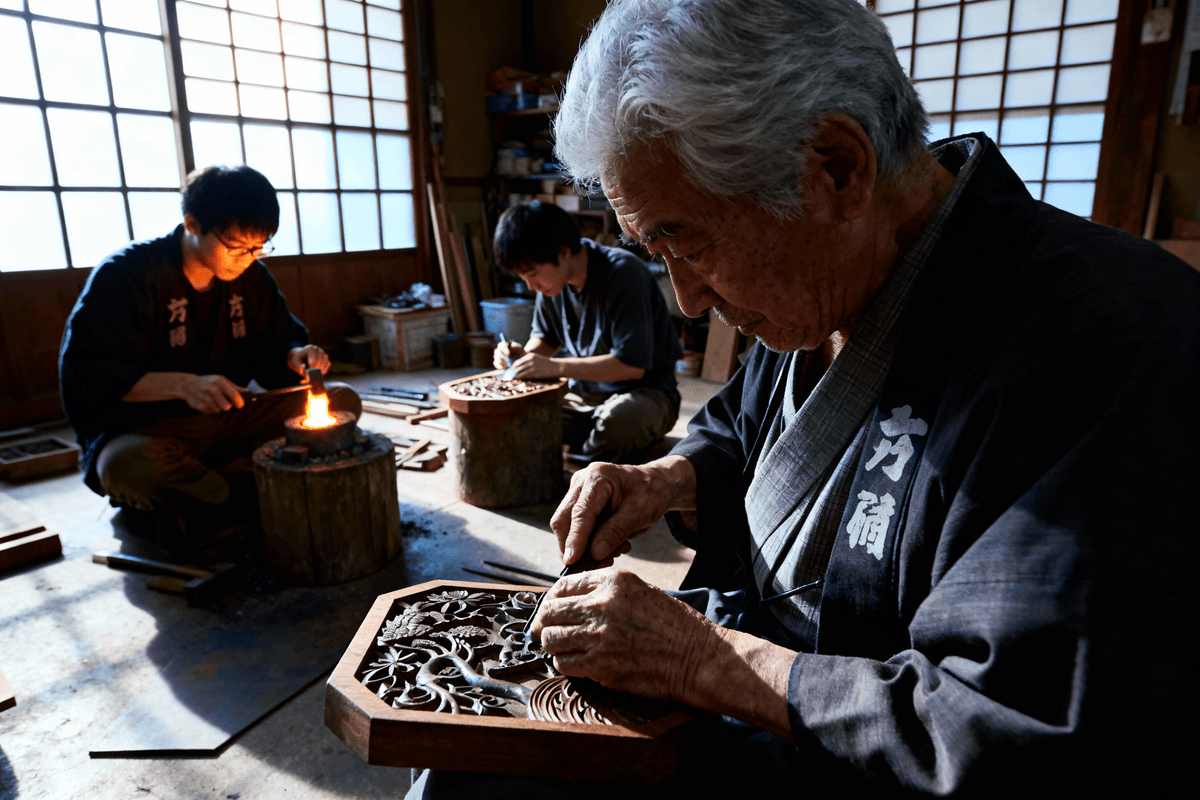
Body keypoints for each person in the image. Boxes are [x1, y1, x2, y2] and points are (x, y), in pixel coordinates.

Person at [409, 0, 1198, 796]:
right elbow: (737, 428)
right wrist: (667, 480)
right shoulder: (825, 286)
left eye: (687, 240)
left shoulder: (1111, 350)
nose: (683, 300)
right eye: (657, 251)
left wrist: (702, 659)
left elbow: (1020, 742)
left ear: (837, 168)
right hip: (765, 681)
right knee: (466, 750)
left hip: (850, 762)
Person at [59, 165, 361, 548]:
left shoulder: (252, 276)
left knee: (340, 400)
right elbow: (89, 375)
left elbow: (277, 343)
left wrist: (295, 355)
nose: (248, 259)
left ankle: (209, 497)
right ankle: (248, 486)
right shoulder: (127, 275)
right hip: (151, 431)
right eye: (236, 247)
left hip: (229, 416)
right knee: (129, 467)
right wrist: (183, 386)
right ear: (191, 224)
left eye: (260, 247)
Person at [491, 200, 682, 463]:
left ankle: (590, 452)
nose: (530, 285)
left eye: (532, 274)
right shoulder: (552, 283)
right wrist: (520, 357)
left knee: (617, 424)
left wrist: (554, 368)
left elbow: (631, 366)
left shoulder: (623, 274)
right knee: (520, 416)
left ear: (563, 252)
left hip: (645, 394)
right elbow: (546, 339)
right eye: (523, 277)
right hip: (585, 395)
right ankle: (587, 448)